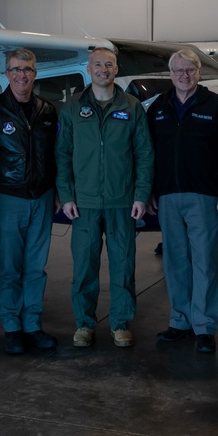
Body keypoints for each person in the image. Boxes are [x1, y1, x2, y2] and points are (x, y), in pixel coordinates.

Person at [56, 47, 154, 348]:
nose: (103, 69)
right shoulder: (72, 108)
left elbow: (144, 154)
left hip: (121, 200)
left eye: (108, 65)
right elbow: (62, 155)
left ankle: (120, 323)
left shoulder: (132, 106)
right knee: (84, 266)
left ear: (116, 69)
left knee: (123, 264)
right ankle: (85, 324)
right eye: (97, 64)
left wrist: (141, 195)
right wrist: (66, 194)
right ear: (89, 68)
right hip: (83, 202)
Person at [147, 48, 218, 354]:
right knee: (175, 263)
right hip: (168, 197)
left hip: (204, 196)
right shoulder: (159, 107)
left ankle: (204, 326)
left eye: (190, 71)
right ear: (170, 75)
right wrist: (148, 190)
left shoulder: (214, 105)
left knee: (205, 263)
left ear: (198, 73)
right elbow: (147, 152)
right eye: (178, 71)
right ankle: (180, 321)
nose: (184, 76)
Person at [0, 49, 60, 354]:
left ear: (35, 74)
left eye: (27, 69)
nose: (22, 75)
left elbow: (55, 156)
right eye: (15, 69)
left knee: (36, 267)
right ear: (7, 74)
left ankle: (33, 325)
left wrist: (57, 191)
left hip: (42, 197)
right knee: (11, 267)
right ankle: (11, 326)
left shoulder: (48, 111)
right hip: (7, 197)